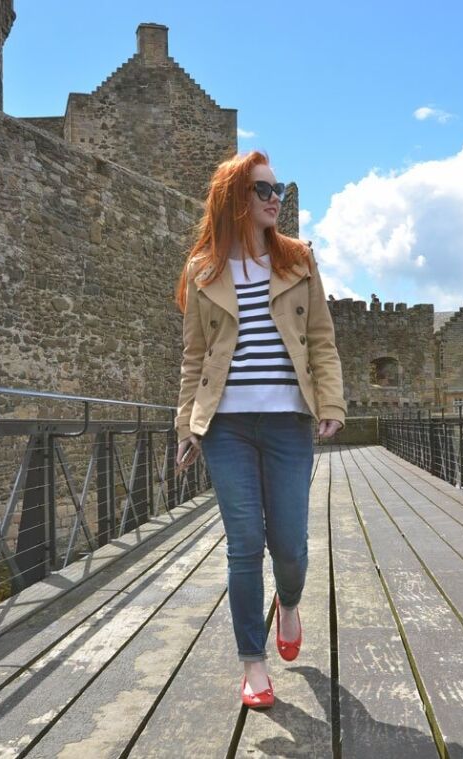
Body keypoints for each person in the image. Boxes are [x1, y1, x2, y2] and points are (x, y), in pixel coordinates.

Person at [174, 151, 345, 709]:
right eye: (263, 190)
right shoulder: (204, 270)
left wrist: (332, 403)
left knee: (290, 544)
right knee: (245, 544)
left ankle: (288, 603)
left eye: (276, 189)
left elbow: (321, 337)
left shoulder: (298, 261)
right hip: (225, 425)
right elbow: (193, 356)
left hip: (288, 420)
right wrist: (186, 426)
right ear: (235, 200)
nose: (275, 198)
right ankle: (252, 662)